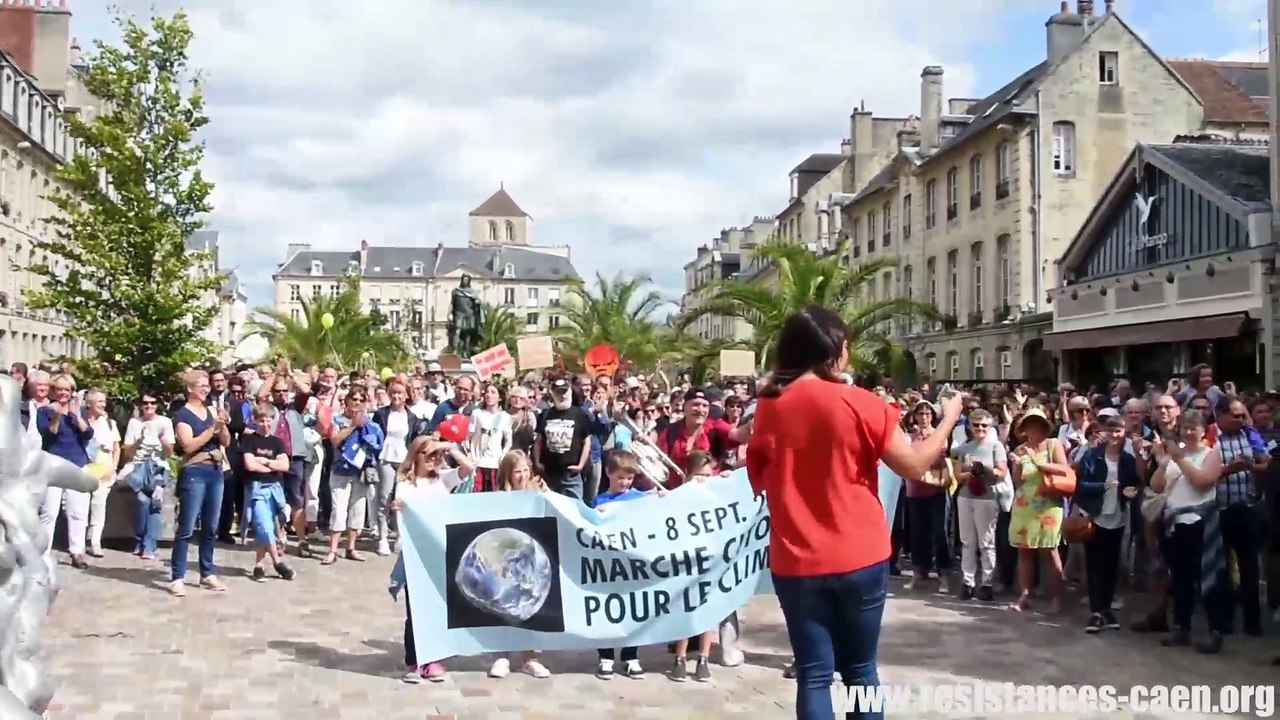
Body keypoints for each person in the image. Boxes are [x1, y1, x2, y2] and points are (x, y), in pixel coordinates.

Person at [746, 305, 962, 720]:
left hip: (796, 557)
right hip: (859, 552)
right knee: (860, 671)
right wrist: (948, 419)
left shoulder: (770, 406)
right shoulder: (861, 403)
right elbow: (914, 465)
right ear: (834, 350)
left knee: (814, 674)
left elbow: (759, 471)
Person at [389, 435, 475, 683]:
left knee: (437, 608)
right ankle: (415, 660)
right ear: (416, 456)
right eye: (428, 454)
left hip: (440, 552)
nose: (434, 459)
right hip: (415, 553)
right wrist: (399, 507)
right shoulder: (406, 484)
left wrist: (448, 447)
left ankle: (434, 658)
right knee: (416, 609)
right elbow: (405, 510)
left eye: (436, 455)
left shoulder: (442, 479)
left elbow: (468, 468)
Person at [487, 449, 552, 680]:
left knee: (530, 605)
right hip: (506, 558)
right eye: (517, 472)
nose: (522, 476)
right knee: (503, 605)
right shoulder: (498, 497)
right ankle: (501, 655)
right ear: (508, 474)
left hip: (532, 558)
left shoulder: (539, 492)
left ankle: (530, 658)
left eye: (525, 470)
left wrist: (546, 494)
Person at [170, 369, 232, 597]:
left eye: (207, 385)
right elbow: (188, 445)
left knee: (210, 526)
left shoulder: (211, 411)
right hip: (195, 471)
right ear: (190, 388)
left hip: (215, 470)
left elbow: (226, 441)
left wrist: (221, 425)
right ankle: (177, 576)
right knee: (186, 526)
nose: (206, 389)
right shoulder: (182, 415)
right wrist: (211, 429)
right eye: (201, 385)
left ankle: (207, 572)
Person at [239, 402, 297, 582]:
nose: (265, 424)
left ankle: (259, 565)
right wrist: (271, 466)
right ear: (255, 420)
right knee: (264, 525)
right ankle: (278, 562)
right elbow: (250, 465)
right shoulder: (249, 440)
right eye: (262, 420)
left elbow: (285, 465)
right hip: (256, 488)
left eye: (269, 420)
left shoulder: (277, 442)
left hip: (274, 488)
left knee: (268, 527)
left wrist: (264, 462)